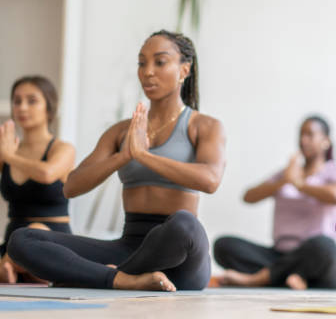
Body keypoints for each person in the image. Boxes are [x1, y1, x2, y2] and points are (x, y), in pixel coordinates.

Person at [7, 30, 226, 291]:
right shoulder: (122, 131)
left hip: (181, 258)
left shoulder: (205, 126)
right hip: (129, 247)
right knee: (22, 239)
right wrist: (124, 156)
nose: (148, 71)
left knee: (184, 224)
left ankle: (104, 277)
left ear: (184, 70)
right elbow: (71, 186)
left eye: (160, 61)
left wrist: (144, 156)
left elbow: (210, 180)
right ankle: (124, 279)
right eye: (141, 63)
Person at [214, 116, 336, 290]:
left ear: (325, 141)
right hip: (279, 255)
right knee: (223, 246)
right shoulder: (287, 173)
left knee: (324, 246)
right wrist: (285, 180)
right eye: (301, 134)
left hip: (316, 257)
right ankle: (293, 277)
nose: (303, 140)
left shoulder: (334, 171)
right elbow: (249, 196)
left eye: (310, 134)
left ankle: (259, 279)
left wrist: (299, 184)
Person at [0, 76, 75, 283]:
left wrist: (10, 157)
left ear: (49, 107)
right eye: (17, 101)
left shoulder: (63, 149)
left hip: (53, 240)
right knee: (21, 240)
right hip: (12, 241)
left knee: (34, 232)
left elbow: (47, 173)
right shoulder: (6, 149)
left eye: (32, 101)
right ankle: (14, 268)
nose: (22, 107)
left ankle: (13, 269)